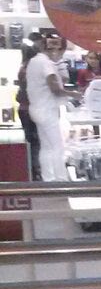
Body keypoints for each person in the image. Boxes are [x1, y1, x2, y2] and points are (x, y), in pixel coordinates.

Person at [24, 33, 79, 181]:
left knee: (46, 147)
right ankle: (61, 179)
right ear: (55, 50)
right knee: (57, 146)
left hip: (36, 108)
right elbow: (55, 88)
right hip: (47, 109)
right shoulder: (46, 64)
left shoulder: (33, 61)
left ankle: (48, 178)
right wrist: (73, 94)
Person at [16, 34, 42, 180]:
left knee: (32, 141)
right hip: (32, 109)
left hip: (26, 109)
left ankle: (34, 171)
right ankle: (35, 172)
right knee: (35, 142)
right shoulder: (30, 68)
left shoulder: (24, 67)